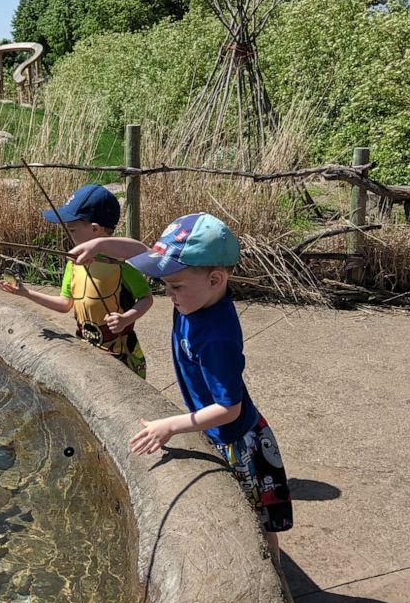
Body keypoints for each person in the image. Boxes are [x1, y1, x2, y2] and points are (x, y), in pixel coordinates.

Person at [69, 212, 292, 557]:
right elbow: (138, 251)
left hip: (235, 440)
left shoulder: (214, 337)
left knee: (257, 525)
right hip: (220, 427)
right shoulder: (196, 297)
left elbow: (229, 409)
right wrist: (98, 244)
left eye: (175, 287)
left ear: (215, 279)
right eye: (165, 285)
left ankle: (273, 572)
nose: (167, 294)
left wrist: (170, 426)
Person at [0, 184, 152, 378]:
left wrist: (126, 318)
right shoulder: (74, 264)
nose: (67, 234)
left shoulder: (121, 264)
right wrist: (25, 293)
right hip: (87, 350)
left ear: (95, 229)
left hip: (122, 354)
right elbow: (65, 304)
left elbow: (146, 298)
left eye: (71, 229)